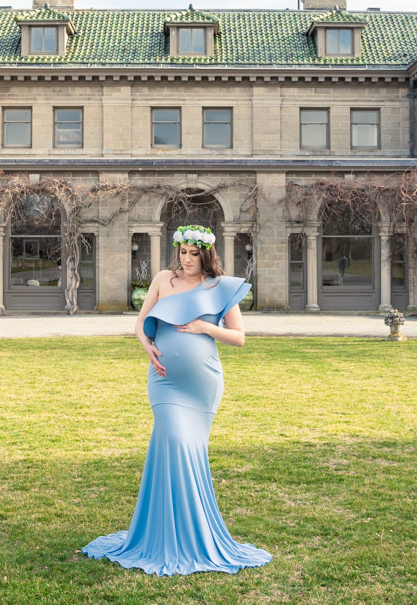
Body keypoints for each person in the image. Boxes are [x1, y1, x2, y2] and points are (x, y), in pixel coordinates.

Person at [82, 224, 272, 576]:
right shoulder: (162, 280)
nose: (187, 259)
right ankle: (166, 535)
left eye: (194, 253)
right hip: (165, 381)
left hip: (203, 386)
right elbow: (140, 324)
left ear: (206, 254)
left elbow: (239, 338)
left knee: (189, 451)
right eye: (183, 252)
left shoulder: (218, 287)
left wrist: (206, 328)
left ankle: (191, 534)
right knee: (173, 440)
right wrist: (147, 348)